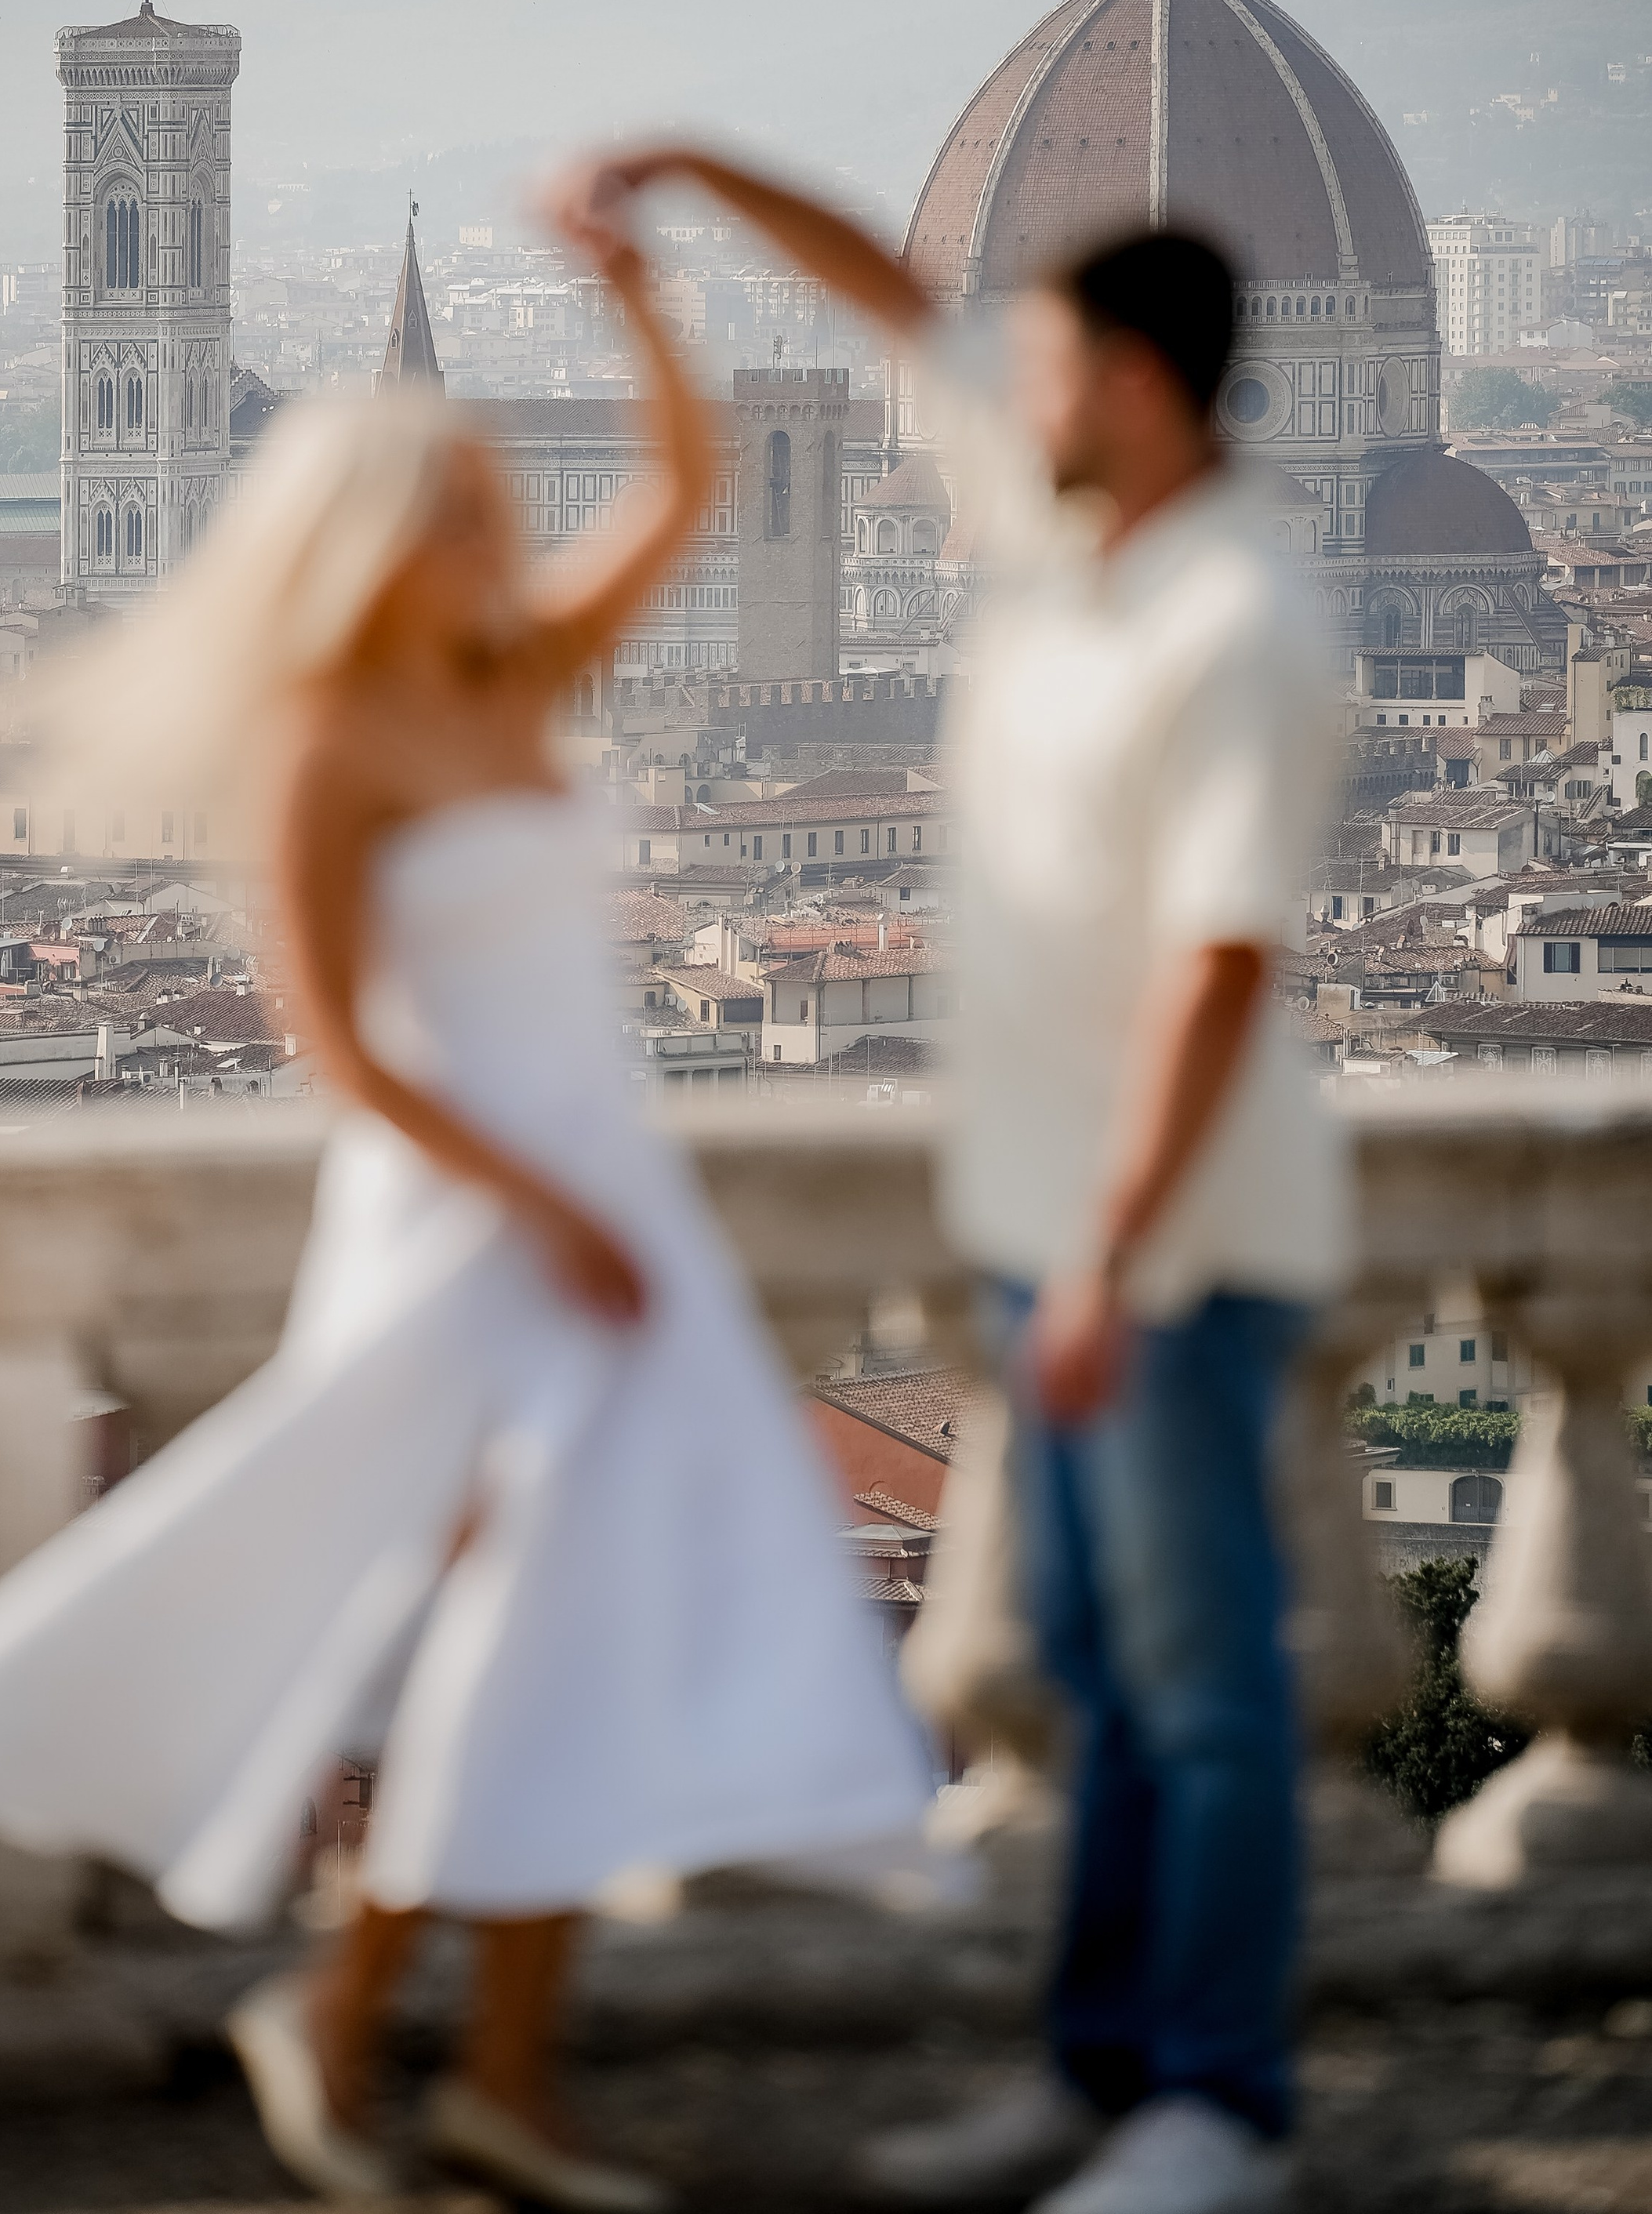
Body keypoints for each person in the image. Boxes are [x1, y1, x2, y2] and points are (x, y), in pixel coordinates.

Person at [0, 219, 929, 2212]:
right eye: (459, 506)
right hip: (459, 1226)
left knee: (556, 1645)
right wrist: (550, 1205)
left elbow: (691, 486)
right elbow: (343, 1050)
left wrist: (636, 276)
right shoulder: (328, 750)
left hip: (597, 1218)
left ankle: (454, 2054)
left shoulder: (519, 675)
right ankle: (394, 2035)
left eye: (496, 499)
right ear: (363, 538)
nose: (495, 530)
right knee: (503, 1642)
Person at [545, 147, 1344, 2214]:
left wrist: (1108, 1247)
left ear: (1143, 391)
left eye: (1054, 360)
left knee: (1205, 1686)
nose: (1012, 384)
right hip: (1049, 1230)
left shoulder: (1240, 617)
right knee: (1088, 1678)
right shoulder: (1067, 537)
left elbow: (1222, 964)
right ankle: (1098, 2079)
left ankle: (1215, 2108)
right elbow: (896, 304)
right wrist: (687, 181)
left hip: (1161, 1243)